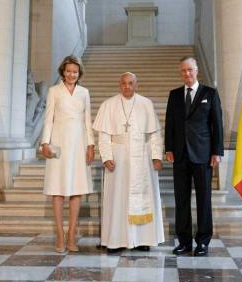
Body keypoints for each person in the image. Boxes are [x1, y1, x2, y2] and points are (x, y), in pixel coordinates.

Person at [93, 72, 165, 253]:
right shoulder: (108, 105)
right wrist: (106, 156)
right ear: (120, 85)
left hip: (142, 156)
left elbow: (155, 134)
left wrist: (157, 156)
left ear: (136, 85)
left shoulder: (146, 104)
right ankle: (115, 241)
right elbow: (103, 135)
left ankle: (142, 240)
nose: (127, 87)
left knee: (143, 197)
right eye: (124, 83)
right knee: (117, 198)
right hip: (119, 158)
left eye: (130, 83)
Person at [165, 56, 223, 257]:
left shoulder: (210, 93)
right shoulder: (173, 95)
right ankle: (184, 241)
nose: (186, 74)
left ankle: (203, 242)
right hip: (180, 155)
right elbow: (170, 124)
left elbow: (217, 124)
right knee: (181, 200)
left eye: (190, 70)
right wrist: (168, 148)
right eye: (183, 71)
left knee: (204, 199)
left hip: (203, 154)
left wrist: (217, 151)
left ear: (197, 70)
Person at [40, 56, 95, 253]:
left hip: (79, 144)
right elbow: (48, 119)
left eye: (75, 71)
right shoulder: (54, 91)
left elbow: (87, 120)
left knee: (76, 188)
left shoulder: (84, 93)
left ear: (79, 74)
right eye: (69, 71)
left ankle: (72, 233)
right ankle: (60, 234)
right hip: (59, 143)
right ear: (63, 71)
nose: (72, 74)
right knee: (57, 189)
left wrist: (91, 145)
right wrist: (45, 142)